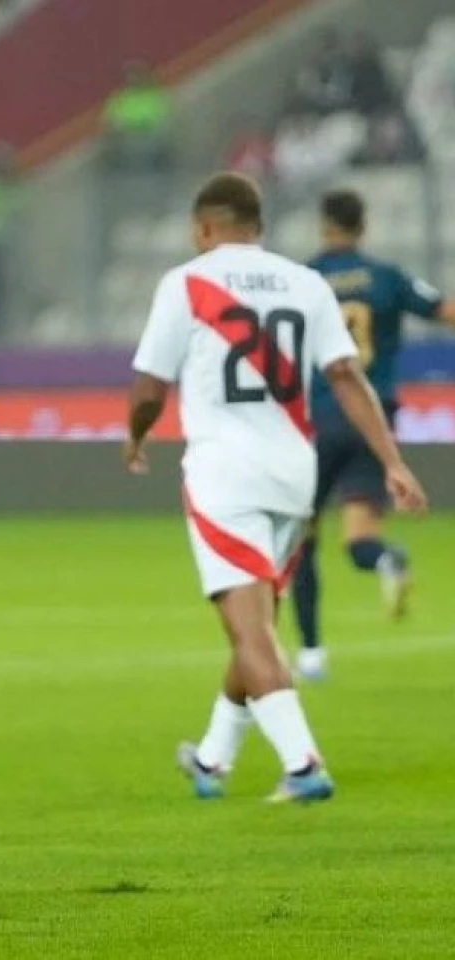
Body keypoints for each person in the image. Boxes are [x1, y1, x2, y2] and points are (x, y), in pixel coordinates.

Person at [123, 173, 427, 805]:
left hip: (225, 475)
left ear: (203, 228)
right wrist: (392, 461)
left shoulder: (187, 282)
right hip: (293, 473)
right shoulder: (305, 282)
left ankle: (303, 764)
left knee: (251, 630)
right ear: (259, 227)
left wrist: (136, 437)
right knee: (257, 622)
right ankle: (213, 759)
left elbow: (151, 387)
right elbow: (347, 376)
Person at [292, 190, 455, 680]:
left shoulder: (304, 279)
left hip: (320, 417)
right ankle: (386, 559)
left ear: (324, 225)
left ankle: (312, 653)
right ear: (363, 226)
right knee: (361, 536)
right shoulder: (387, 277)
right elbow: (444, 310)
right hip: (374, 419)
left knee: (300, 538)